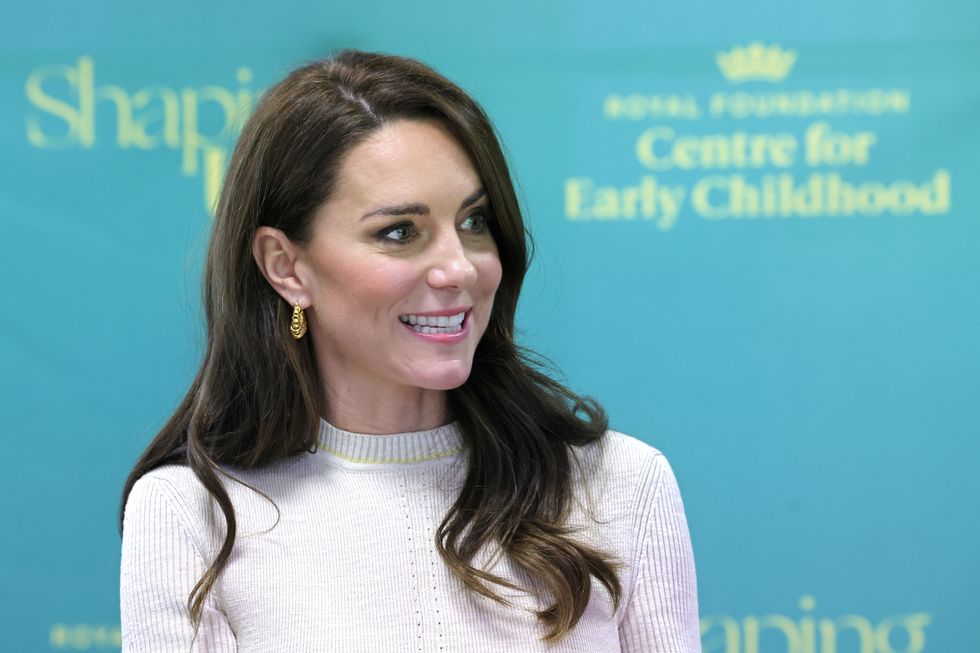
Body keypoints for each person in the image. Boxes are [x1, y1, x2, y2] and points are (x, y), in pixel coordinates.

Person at [119, 49, 701, 652]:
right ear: (286, 266)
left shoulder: (620, 484)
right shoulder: (190, 514)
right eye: (399, 232)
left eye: (474, 222)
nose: (459, 268)